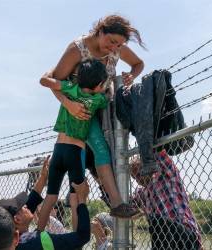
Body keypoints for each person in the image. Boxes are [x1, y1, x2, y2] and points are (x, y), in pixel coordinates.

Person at [48, 14, 145, 218]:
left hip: (106, 110)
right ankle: (114, 203)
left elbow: (138, 64)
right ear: (100, 31)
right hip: (80, 111)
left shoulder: (117, 47)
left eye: (119, 44)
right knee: (93, 152)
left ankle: (110, 201)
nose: (114, 48)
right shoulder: (77, 49)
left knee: (109, 153)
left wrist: (131, 76)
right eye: (111, 41)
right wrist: (70, 105)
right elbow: (53, 81)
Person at [38, 58, 108, 231]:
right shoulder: (98, 99)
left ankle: (38, 233)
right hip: (76, 152)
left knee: (51, 197)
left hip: (58, 150)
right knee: (77, 197)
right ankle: (76, 238)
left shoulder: (70, 88)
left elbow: (45, 81)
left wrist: (56, 70)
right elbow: (106, 97)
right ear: (99, 84)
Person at [0, 156, 91, 250]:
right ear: (17, 219)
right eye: (22, 206)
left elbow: (32, 200)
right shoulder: (40, 241)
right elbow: (82, 236)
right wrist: (82, 199)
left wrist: (43, 177)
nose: (26, 205)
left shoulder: (10, 241)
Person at [130, 150, 202, 250]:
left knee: (157, 221)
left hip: (184, 234)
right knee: (156, 221)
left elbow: (160, 152)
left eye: (140, 173)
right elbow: (126, 206)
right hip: (165, 240)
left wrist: (147, 151)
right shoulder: (142, 194)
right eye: (135, 177)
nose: (138, 179)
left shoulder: (165, 173)